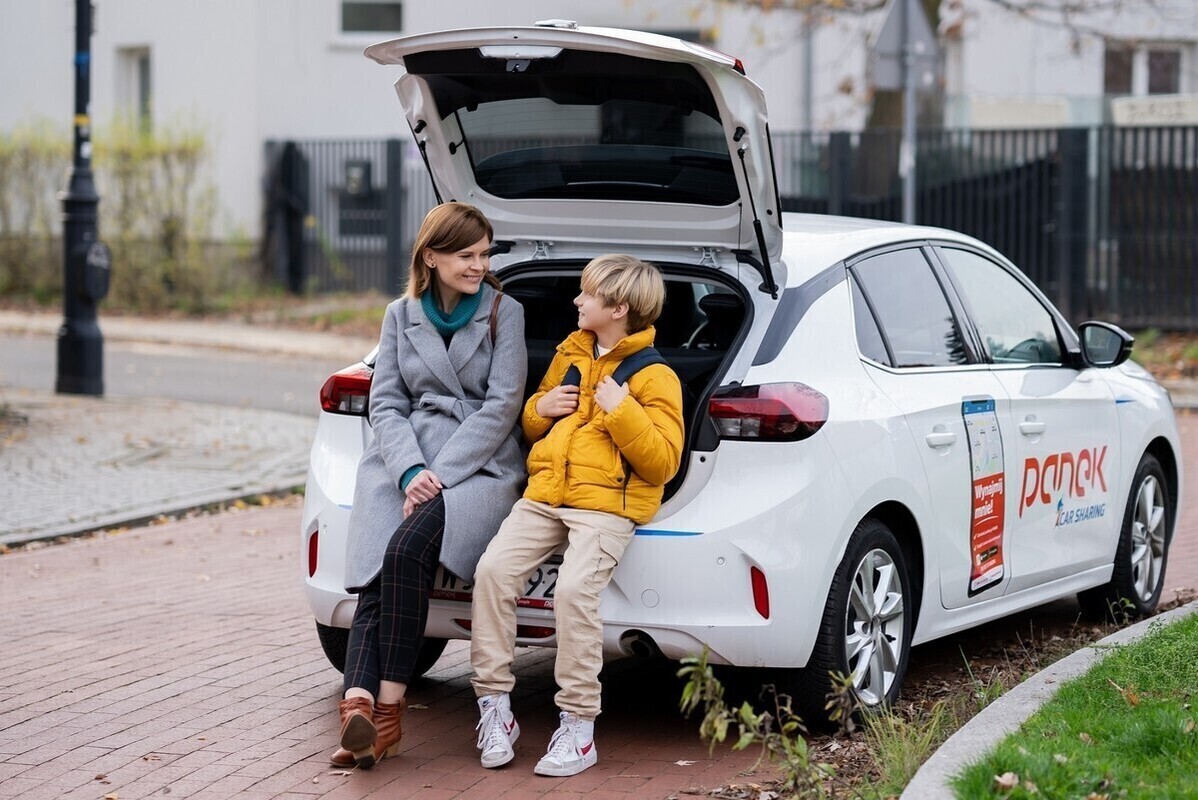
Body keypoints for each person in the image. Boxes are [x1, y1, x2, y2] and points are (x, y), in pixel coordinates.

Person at [469, 254, 685, 777]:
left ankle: (579, 726)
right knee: (491, 573)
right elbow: (535, 414)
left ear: (618, 308)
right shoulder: (572, 351)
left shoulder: (657, 377)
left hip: (607, 507)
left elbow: (662, 462)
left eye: (586, 295)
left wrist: (622, 409)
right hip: (546, 494)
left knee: (572, 592)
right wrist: (537, 411)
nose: (576, 301)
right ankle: (495, 708)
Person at [331, 202, 527, 769]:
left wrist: (440, 473)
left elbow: (502, 407)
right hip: (403, 459)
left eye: (484, 254)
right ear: (432, 257)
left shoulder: (503, 312)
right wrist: (411, 470)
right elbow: (386, 402)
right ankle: (363, 710)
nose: (478, 265)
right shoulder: (401, 313)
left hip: (479, 465)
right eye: (466, 255)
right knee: (375, 576)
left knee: (402, 551)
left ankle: (384, 709)